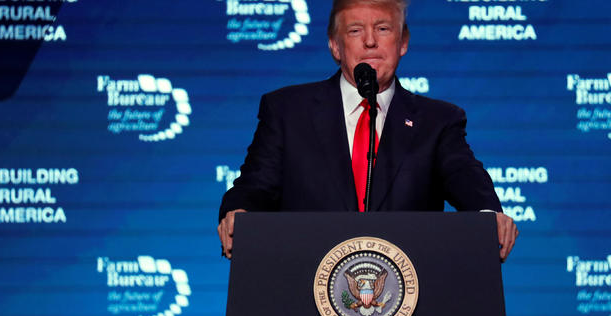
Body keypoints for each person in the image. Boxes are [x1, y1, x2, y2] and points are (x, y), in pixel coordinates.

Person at [218, 0, 518, 260]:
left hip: (408, 297)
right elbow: (255, 185)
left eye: (383, 28)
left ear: (403, 42)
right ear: (335, 45)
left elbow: (465, 177)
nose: (370, 41)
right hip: (303, 289)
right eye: (355, 30)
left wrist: (488, 218)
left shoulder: (437, 121)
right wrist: (239, 214)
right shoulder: (287, 111)